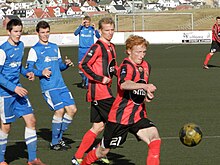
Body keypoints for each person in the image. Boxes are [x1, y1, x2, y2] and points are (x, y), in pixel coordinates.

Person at [80, 35, 161, 165]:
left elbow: (139, 88)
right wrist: (145, 86)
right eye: (138, 52)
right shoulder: (126, 66)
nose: (141, 55)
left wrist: (147, 94)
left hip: (138, 116)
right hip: (119, 118)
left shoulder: (146, 66)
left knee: (155, 138)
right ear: (129, 50)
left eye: (144, 52)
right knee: (102, 151)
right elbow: (124, 84)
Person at [71, 17, 117, 165]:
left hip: (105, 91)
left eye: (112, 30)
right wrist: (100, 78)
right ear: (100, 31)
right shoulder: (97, 47)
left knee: (98, 127)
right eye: (106, 30)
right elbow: (83, 65)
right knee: (117, 120)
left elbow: (112, 67)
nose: (109, 33)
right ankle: (98, 151)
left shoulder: (111, 47)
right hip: (99, 92)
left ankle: (78, 156)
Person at [26, 21, 77, 151]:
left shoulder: (55, 47)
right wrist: (40, 72)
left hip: (61, 85)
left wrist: (66, 64)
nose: (45, 35)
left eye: (47, 32)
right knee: (59, 110)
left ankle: (59, 138)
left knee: (72, 110)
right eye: (42, 32)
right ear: (37, 33)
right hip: (49, 87)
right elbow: (29, 69)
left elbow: (59, 66)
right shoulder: (34, 50)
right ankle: (55, 142)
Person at [0, 19, 46, 165]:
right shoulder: (2, 50)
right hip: (5, 94)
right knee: (6, 127)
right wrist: (14, 88)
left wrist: (27, 73)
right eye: (15, 31)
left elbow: (18, 67)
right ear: (8, 32)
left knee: (31, 120)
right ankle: (1, 160)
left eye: (20, 31)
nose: (18, 35)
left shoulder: (20, 46)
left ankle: (32, 159)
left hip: (18, 91)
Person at [74, 16, 100, 88]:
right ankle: (83, 78)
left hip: (89, 50)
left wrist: (96, 29)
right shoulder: (81, 29)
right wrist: (80, 25)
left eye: (88, 22)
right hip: (81, 49)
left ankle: (87, 83)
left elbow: (98, 36)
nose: (87, 23)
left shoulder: (92, 29)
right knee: (80, 67)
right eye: (85, 22)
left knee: (89, 66)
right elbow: (75, 33)